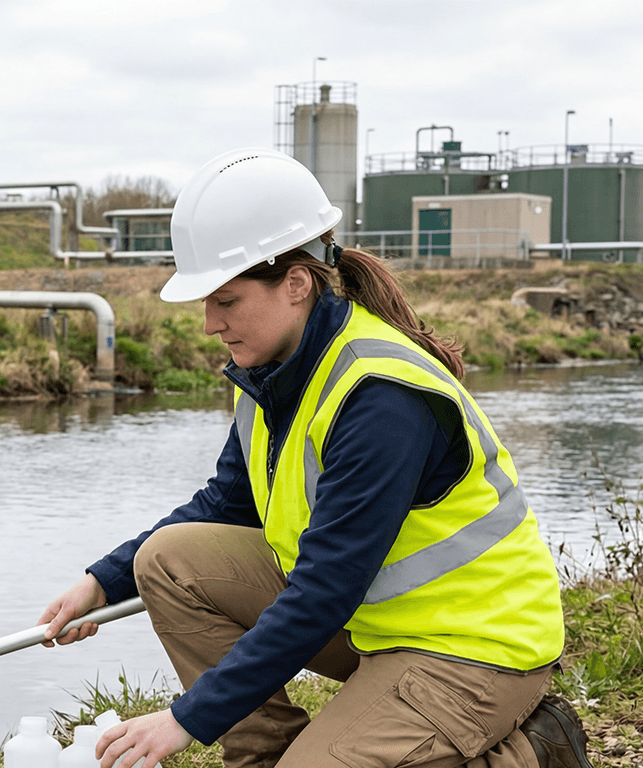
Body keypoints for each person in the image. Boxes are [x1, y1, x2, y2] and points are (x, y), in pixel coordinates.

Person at [37, 148, 590, 768]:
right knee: (168, 560)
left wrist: (184, 719)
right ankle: (268, 757)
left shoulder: (380, 396)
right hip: (377, 624)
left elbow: (324, 589)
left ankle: (534, 752)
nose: (209, 323)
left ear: (296, 284)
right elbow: (224, 505)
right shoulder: (274, 374)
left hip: (472, 647)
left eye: (225, 301)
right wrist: (102, 580)